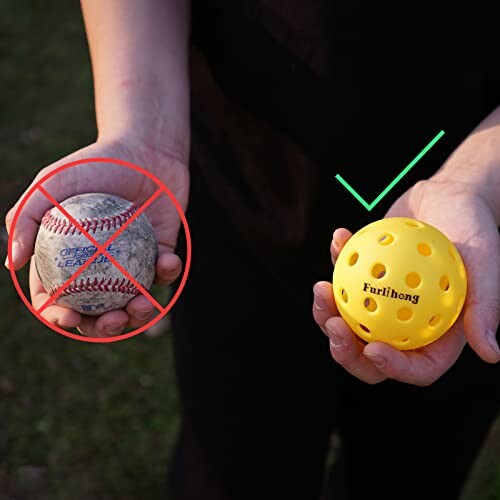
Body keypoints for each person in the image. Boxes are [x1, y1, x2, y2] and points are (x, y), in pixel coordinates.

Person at [4, 1, 499, 499]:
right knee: (233, 468)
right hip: (233, 205)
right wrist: (142, 129)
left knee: (414, 471)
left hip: (465, 248)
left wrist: (474, 182)